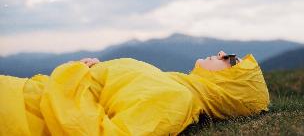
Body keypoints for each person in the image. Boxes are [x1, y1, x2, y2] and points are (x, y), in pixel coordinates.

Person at [0, 51, 270, 136]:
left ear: (231, 85)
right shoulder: (177, 85)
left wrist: (74, 77)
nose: (222, 53)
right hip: (27, 95)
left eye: (231, 60)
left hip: (23, 111)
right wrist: (95, 71)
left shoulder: (177, 100)